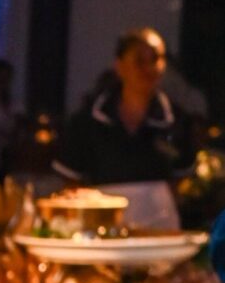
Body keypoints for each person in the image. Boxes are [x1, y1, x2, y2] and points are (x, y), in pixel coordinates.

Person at [56, 27, 200, 185]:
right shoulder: (87, 121)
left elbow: (183, 181)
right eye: (140, 60)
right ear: (120, 66)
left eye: (155, 59)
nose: (148, 68)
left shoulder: (179, 122)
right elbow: (70, 179)